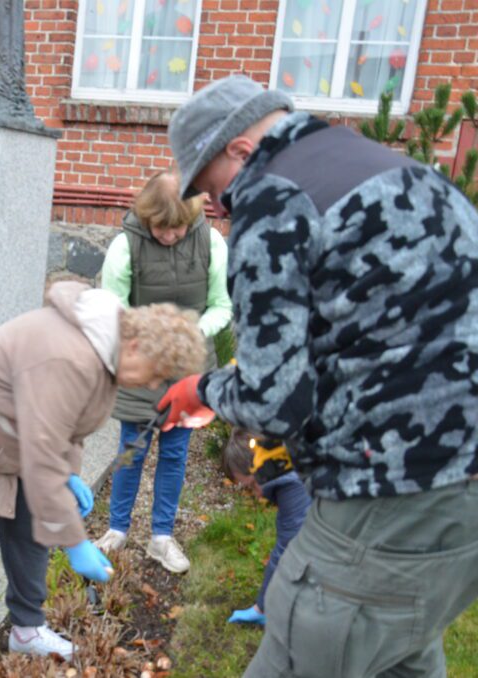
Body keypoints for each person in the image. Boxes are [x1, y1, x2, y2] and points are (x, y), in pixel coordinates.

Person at [160, 74, 478, 677]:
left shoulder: (276, 199)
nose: (222, 210)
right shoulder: (398, 172)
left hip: (385, 495)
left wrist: (200, 390)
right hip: (460, 505)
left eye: (214, 191)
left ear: (241, 151)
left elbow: (273, 399)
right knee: (401, 653)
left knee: (301, 651)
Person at [0, 280, 207, 677]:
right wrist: (74, 543)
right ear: (137, 345)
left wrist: (69, 475)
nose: (154, 385)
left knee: (34, 528)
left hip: (10, 435)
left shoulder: (105, 354)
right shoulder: (69, 357)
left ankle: (27, 627)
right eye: (157, 375)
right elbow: (41, 456)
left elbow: (65, 429)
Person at [93, 170, 232, 574]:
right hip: (142, 366)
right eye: (160, 228)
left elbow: (222, 306)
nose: (170, 236)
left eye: (178, 228)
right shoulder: (124, 247)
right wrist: (151, 344)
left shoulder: (212, 242)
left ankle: (161, 538)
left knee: (175, 453)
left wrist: (186, 336)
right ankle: (117, 530)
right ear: (147, 216)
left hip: (189, 367)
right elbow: (113, 309)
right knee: (131, 449)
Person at [220, 430, 310, 627]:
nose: (258, 496)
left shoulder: (292, 487)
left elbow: (288, 548)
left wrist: (262, 607)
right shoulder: (289, 462)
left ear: (261, 467)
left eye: (252, 486)